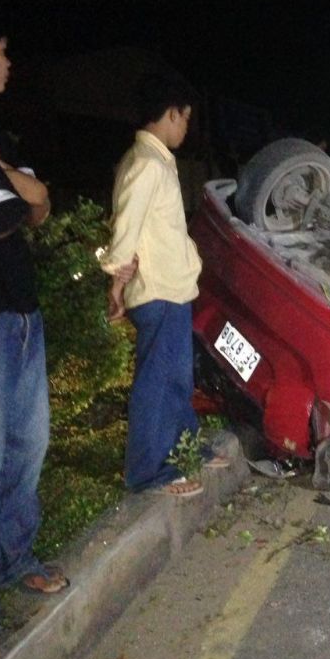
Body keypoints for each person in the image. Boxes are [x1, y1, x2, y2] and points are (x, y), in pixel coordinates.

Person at [0, 20, 69, 659]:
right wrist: (18, 190)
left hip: (22, 317)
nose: (8, 62)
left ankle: (14, 558)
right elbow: (10, 216)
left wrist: (12, 178)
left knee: (28, 445)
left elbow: (39, 206)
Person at [101, 72, 226, 499]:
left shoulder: (155, 161)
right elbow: (127, 224)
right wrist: (116, 278)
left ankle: (184, 448)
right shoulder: (146, 164)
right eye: (185, 118)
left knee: (176, 378)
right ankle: (146, 472)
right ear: (171, 113)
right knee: (157, 382)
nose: (186, 127)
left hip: (171, 287)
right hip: (157, 290)